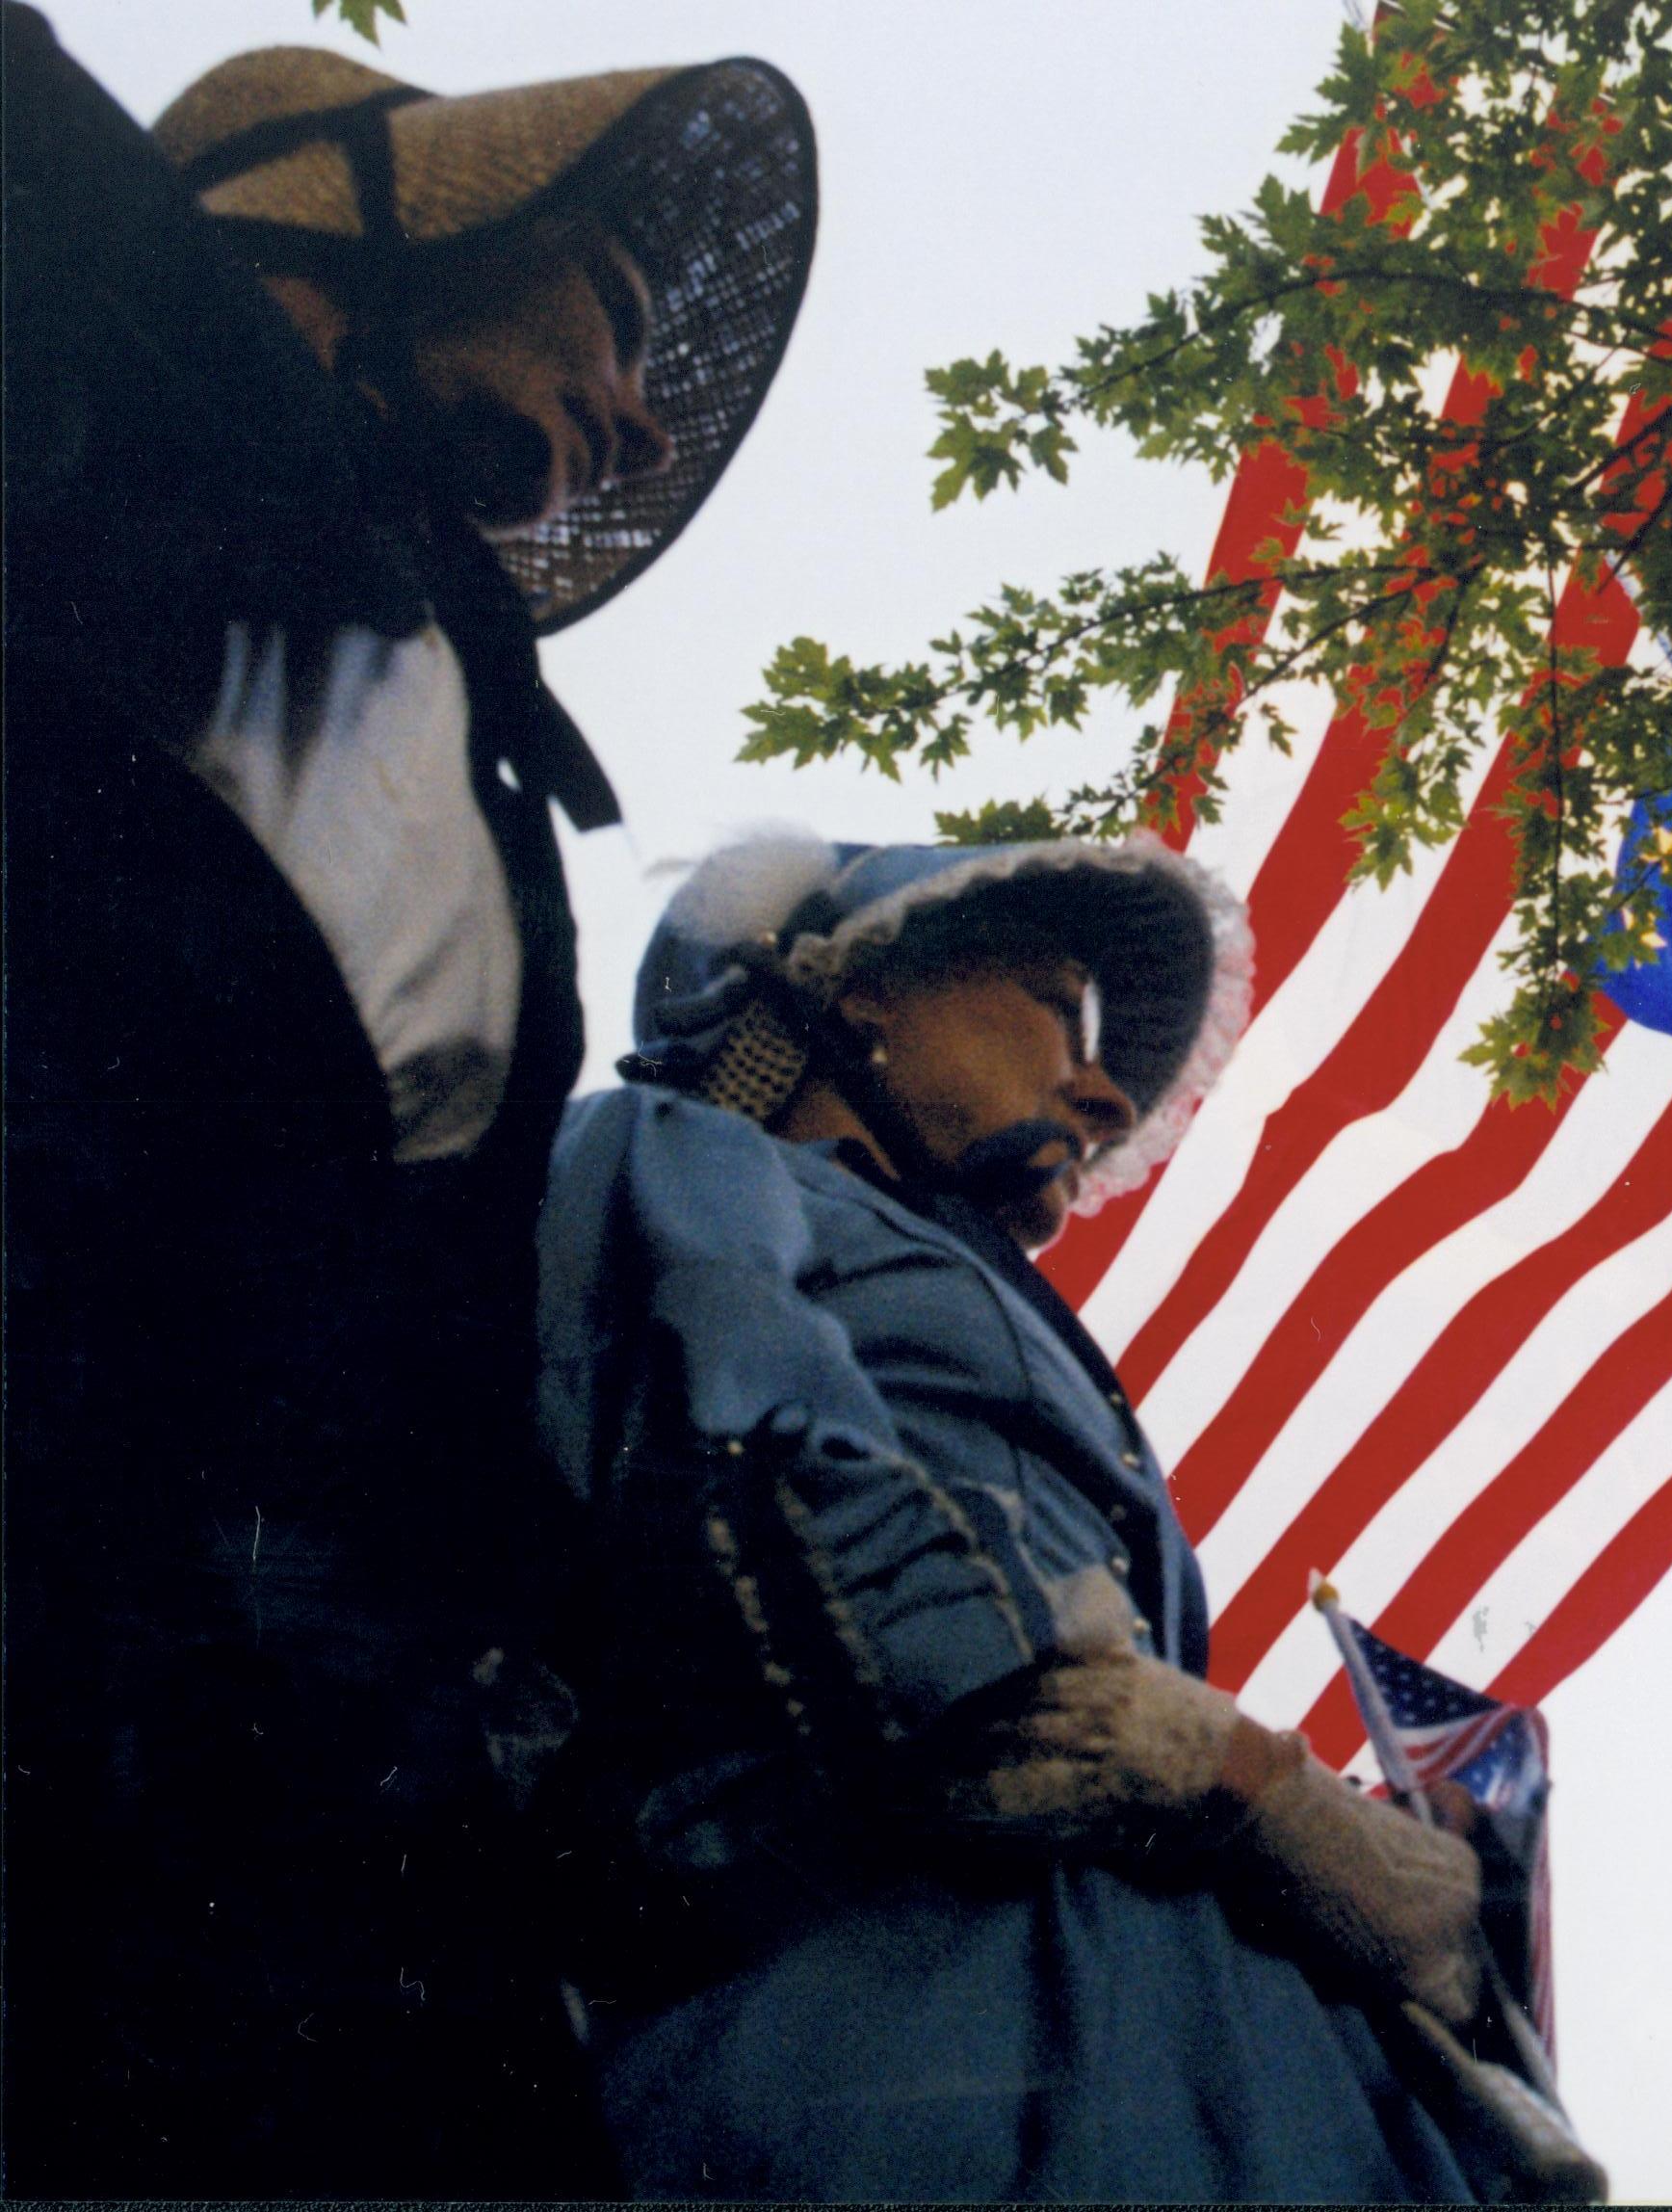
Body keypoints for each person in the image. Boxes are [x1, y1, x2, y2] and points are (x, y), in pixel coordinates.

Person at [4, 13, 814, 2191]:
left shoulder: (469, 730)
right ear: (378, 218)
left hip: (337, 1775)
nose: (638, 411)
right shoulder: (109, 360)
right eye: (616, 313)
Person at [533, 830, 1522, 2200]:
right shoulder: (671, 1153)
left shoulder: (983, 1305)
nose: (1108, 1096)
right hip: (909, 2068)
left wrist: (1356, 1853)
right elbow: (763, 1491)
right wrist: (1237, 1778)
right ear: (861, 987)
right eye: (1068, 1011)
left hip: (1227, 2096)